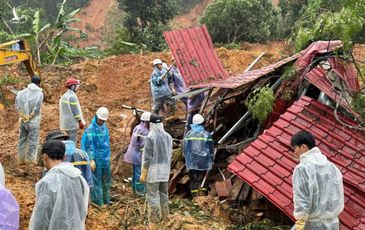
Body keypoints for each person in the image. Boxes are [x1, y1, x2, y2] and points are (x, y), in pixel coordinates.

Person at [290, 130, 344, 230]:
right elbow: (337, 197)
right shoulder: (332, 167)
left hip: (312, 225)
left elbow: (302, 198)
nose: (294, 152)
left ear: (303, 147)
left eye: (295, 148)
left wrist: (301, 219)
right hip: (332, 224)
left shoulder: (302, 168)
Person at [30, 140, 89, 230]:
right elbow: (82, 209)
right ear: (64, 157)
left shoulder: (47, 182)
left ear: (45, 156)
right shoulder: (78, 177)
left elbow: (41, 218)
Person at [140, 114, 173, 222]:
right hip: (164, 171)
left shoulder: (151, 137)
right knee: (164, 194)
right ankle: (165, 215)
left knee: (153, 195)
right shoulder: (168, 137)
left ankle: (154, 219)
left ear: (152, 124)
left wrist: (144, 172)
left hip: (153, 171)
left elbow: (148, 157)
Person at [81, 107, 111, 207]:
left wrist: (107, 157)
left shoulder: (105, 128)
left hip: (105, 158)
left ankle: (106, 199)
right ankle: (98, 201)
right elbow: (89, 145)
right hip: (96, 158)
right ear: (96, 116)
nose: (102, 122)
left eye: (103, 120)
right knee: (96, 180)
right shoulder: (90, 130)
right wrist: (91, 159)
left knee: (106, 179)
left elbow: (106, 144)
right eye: (100, 120)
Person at [183, 114, 214, 197]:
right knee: (203, 178)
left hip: (192, 161)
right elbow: (211, 149)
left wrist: (186, 158)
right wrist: (211, 159)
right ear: (202, 123)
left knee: (193, 179)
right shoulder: (207, 134)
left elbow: (184, 149)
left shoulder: (188, 134)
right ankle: (203, 196)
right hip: (204, 161)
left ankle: (194, 197)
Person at [15, 75, 43, 165]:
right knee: (33, 141)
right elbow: (37, 108)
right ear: (39, 83)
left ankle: (20, 160)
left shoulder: (21, 93)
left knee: (22, 140)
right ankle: (30, 161)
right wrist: (30, 117)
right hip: (33, 121)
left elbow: (17, 105)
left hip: (22, 120)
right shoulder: (39, 93)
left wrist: (23, 115)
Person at [124, 112, 150, 196]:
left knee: (135, 173)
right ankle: (140, 193)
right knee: (139, 175)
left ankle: (134, 190)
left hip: (132, 154)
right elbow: (143, 146)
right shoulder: (145, 132)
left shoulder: (137, 127)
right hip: (139, 156)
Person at [59, 78, 85, 145]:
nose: (77, 87)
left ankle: (66, 153)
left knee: (67, 141)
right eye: (76, 86)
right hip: (72, 123)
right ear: (73, 86)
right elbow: (75, 110)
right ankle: (70, 154)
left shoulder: (64, 96)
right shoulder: (72, 97)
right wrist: (80, 121)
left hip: (66, 123)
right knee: (72, 142)